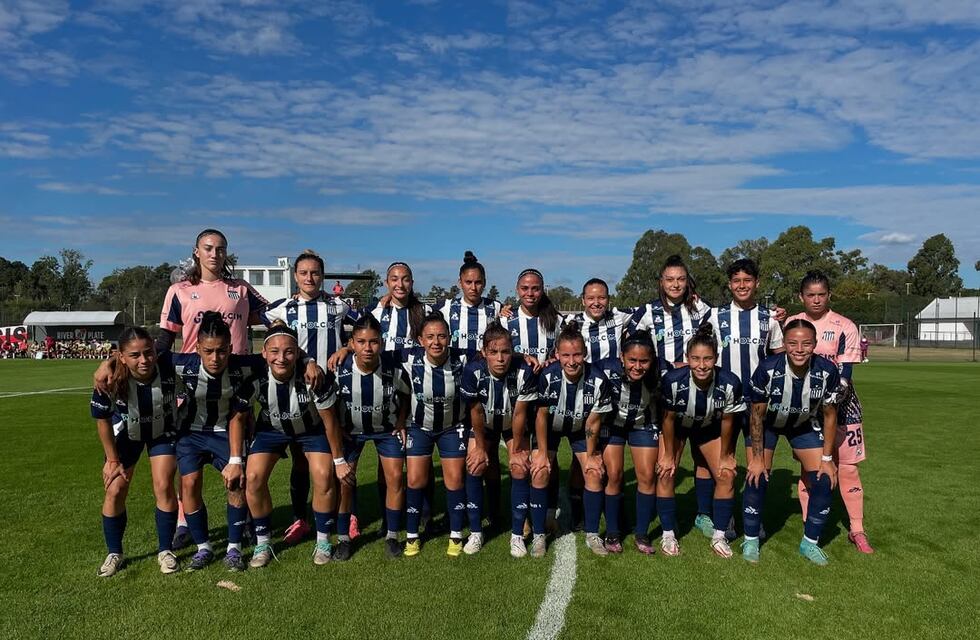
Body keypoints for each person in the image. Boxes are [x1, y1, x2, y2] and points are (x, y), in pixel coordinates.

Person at [157, 228, 268, 548]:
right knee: (189, 466)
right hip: (191, 384)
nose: (215, 254)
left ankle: (244, 519)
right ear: (196, 252)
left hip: (237, 383)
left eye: (220, 249)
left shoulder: (241, 289)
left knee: (239, 456)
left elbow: (271, 317)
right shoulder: (179, 290)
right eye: (208, 248)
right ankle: (184, 522)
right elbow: (166, 337)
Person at [228, 323, 344, 568]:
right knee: (253, 477)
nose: (281, 358)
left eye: (289, 351)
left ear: (298, 353)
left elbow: (330, 420)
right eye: (275, 352)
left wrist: (339, 460)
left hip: (310, 431)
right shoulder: (256, 377)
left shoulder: (312, 376)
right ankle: (263, 542)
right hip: (272, 431)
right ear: (264, 353)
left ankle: (323, 540)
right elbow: (238, 417)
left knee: (324, 474)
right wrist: (235, 460)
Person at [262, 250, 356, 546]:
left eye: (315, 272)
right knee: (301, 462)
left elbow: (368, 327)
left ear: (323, 275)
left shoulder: (338, 306)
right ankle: (300, 518)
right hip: (297, 393)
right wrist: (305, 361)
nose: (309, 278)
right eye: (304, 273)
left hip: (335, 391)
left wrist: (346, 348)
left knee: (341, 454)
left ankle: (347, 514)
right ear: (295, 276)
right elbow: (275, 339)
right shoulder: (282, 308)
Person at [742, 318, 841, 565]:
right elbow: (756, 415)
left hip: (802, 424)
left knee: (824, 477)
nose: (799, 349)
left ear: (815, 344)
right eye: (793, 343)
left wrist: (828, 460)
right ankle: (751, 539)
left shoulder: (827, 371)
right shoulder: (768, 368)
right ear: (784, 343)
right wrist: (756, 458)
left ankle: (810, 543)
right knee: (757, 475)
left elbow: (830, 415)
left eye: (806, 343)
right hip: (767, 426)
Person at [787, 271, 874, 554]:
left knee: (847, 470)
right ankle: (810, 525)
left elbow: (845, 374)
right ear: (801, 297)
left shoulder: (845, 326)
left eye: (821, 294)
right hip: (804, 408)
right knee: (810, 469)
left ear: (829, 296)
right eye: (810, 295)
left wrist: (831, 401)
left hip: (843, 405)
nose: (815, 300)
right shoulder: (792, 323)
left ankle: (857, 530)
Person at [627, 254, 715, 530]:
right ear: (661, 282)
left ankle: (703, 514)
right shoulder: (647, 311)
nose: (675, 284)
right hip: (661, 397)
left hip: (698, 392)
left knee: (701, 457)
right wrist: (665, 365)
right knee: (668, 460)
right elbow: (631, 342)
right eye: (670, 279)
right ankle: (665, 519)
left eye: (680, 279)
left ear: (688, 282)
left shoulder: (701, 309)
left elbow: (716, 331)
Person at [90, 327, 180, 577]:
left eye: (148, 352)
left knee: (163, 485)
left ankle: (165, 550)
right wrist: (112, 460)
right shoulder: (109, 379)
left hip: (162, 432)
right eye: (135, 355)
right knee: (115, 489)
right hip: (126, 436)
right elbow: (102, 420)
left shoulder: (168, 364)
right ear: (121, 356)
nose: (144, 360)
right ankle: (114, 552)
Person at [708, 258, 784, 541]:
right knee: (724, 463)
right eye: (737, 281)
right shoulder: (716, 317)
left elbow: (778, 360)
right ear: (730, 284)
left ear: (757, 283)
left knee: (759, 464)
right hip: (725, 403)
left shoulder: (770, 319)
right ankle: (725, 519)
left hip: (758, 405)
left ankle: (754, 517)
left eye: (747, 280)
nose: (742, 285)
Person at [657, 323, 745, 558]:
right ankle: (667, 533)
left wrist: (726, 455)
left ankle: (719, 536)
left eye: (707, 359)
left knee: (726, 474)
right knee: (666, 471)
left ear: (716, 358)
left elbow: (728, 421)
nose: (701, 365)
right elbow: (667, 419)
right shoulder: (673, 381)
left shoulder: (729, 382)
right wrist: (667, 454)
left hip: (708, 428)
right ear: (687, 358)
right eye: (695, 359)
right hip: (676, 429)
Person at [437, 251, 507, 532]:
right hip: (454, 389)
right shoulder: (445, 309)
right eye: (469, 282)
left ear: (484, 283)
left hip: (485, 390)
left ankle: (492, 510)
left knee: (485, 452)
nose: (474, 287)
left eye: (479, 282)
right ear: (460, 282)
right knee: (458, 454)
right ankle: (456, 510)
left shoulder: (497, 308)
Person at [460, 322, 542, 557]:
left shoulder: (524, 372)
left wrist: (516, 448)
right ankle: (476, 532)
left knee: (518, 466)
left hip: (511, 424)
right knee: (475, 465)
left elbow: (519, 413)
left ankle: (517, 535)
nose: (500, 358)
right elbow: (475, 411)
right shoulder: (472, 371)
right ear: (484, 352)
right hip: (483, 425)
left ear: (512, 351)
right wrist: (480, 446)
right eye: (494, 352)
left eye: (505, 352)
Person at [332, 315, 410, 559]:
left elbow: (406, 395)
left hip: (386, 431)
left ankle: (392, 535)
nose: (368, 348)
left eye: (374, 342)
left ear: (382, 342)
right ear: (352, 343)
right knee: (345, 481)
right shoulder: (339, 369)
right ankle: (343, 538)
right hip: (351, 433)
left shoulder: (393, 370)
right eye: (362, 342)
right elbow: (328, 404)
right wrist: (338, 426)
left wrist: (400, 421)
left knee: (395, 477)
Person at [535, 321, 614, 556]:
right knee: (540, 470)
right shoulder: (548, 377)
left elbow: (593, 422)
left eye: (577, 354)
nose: (571, 361)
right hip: (550, 428)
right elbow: (540, 416)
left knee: (593, 472)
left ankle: (592, 533)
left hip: (581, 429)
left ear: (585, 353)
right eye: (566, 355)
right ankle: (539, 533)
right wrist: (541, 453)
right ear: (557, 354)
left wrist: (591, 456)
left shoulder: (598, 380)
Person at [399, 312, 470, 557]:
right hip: (420, 428)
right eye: (430, 337)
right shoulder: (408, 358)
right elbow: (373, 354)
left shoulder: (462, 357)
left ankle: (456, 535)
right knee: (415, 480)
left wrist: (523, 357)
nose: (436, 342)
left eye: (441, 336)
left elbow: (493, 353)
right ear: (420, 340)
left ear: (450, 337)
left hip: (452, 427)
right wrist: (343, 351)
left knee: (454, 480)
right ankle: (411, 536)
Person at [503, 268, 564, 529]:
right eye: (525, 288)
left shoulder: (555, 320)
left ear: (543, 289)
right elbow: (496, 352)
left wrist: (554, 359)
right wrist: (519, 357)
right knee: (521, 457)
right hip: (516, 400)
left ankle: (548, 509)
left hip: (548, 399)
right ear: (518, 289)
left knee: (548, 457)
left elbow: (565, 351)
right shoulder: (505, 321)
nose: (530, 293)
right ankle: (524, 515)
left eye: (535, 288)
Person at [594, 330, 662, 554]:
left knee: (647, 475)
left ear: (652, 359)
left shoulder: (661, 371)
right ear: (622, 357)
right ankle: (613, 532)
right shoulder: (604, 368)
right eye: (632, 360)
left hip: (643, 424)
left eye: (644, 361)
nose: (638, 366)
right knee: (614, 474)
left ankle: (642, 533)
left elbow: (685, 370)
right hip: (612, 425)